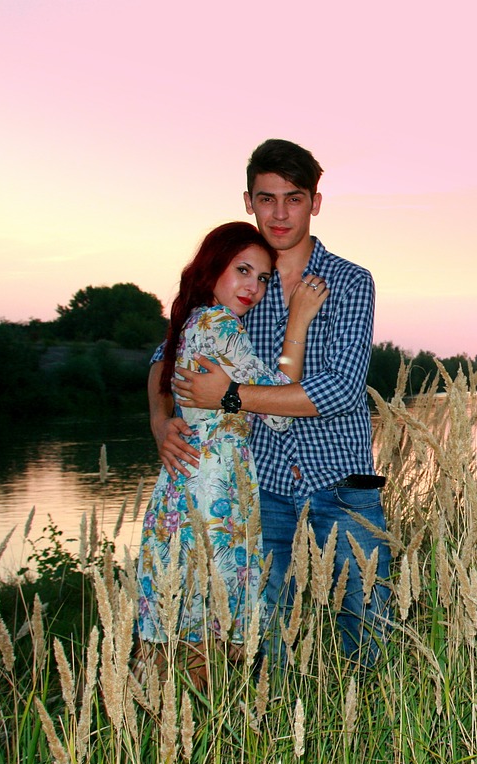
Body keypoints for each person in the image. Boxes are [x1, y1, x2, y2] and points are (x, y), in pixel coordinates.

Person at [151, 139, 392, 670]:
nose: (280, 214)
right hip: (261, 492)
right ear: (248, 201)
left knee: (371, 635)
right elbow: (164, 356)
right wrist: (160, 421)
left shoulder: (350, 282)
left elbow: (340, 391)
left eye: (294, 198)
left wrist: (231, 396)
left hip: (343, 486)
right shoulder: (238, 281)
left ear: (316, 203)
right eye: (267, 199)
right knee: (264, 646)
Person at [137, 221, 329, 687]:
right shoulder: (220, 325)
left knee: (180, 633)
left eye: (262, 278)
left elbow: (162, 367)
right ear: (213, 267)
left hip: (184, 488)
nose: (254, 287)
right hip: (214, 493)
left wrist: (168, 419)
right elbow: (281, 408)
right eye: (243, 270)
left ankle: (164, 738)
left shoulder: (192, 321)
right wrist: (298, 321)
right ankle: (200, 738)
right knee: (211, 633)